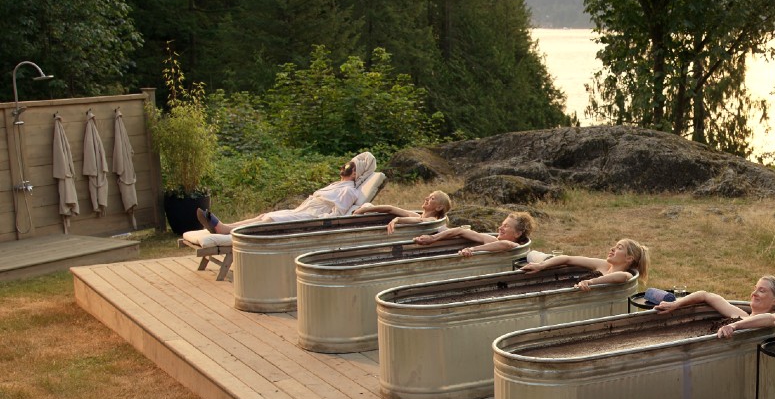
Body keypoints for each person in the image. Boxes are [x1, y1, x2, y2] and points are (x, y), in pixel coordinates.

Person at [197, 152, 376, 234]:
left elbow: (336, 216)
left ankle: (224, 230)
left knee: (269, 221)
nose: (343, 166)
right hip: (303, 210)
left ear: (355, 173)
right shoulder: (337, 185)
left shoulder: (348, 191)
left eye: (348, 166)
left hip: (312, 217)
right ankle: (225, 227)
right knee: (264, 215)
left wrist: (317, 223)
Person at [654, 276, 775, 339]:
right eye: (755, 289)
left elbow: (770, 319)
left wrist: (734, 326)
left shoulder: (774, 317)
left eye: (762, 291)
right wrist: (676, 304)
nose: (754, 294)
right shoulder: (740, 315)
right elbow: (705, 295)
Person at [520, 238, 650, 291]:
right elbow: (568, 259)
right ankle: (533, 255)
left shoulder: (626, 274)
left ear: (629, 258)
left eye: (619, 248)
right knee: (532, 256)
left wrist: (591, 282)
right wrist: (541, 266)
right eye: (614, 246)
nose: (612, 249)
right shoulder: (604, 265)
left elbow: (621, 277)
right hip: (566, 286)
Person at [411, 211, 535, 256]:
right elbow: (461, 231)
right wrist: (433, 238)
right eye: (502, 224)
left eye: (506, 226)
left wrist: (473, 249)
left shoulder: (517, 247)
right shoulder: (493, 240)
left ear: (518, 234)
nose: (500, 228)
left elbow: (506, 245)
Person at [353, 190, 451, 234]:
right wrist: (365, 209)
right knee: (367, 205)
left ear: (439, 208)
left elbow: (420, 221)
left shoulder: (432, 219)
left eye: (432, 198)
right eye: (428, 197)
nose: (426, 199)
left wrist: (398, 219)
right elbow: (391, 208)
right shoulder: (416, 215)